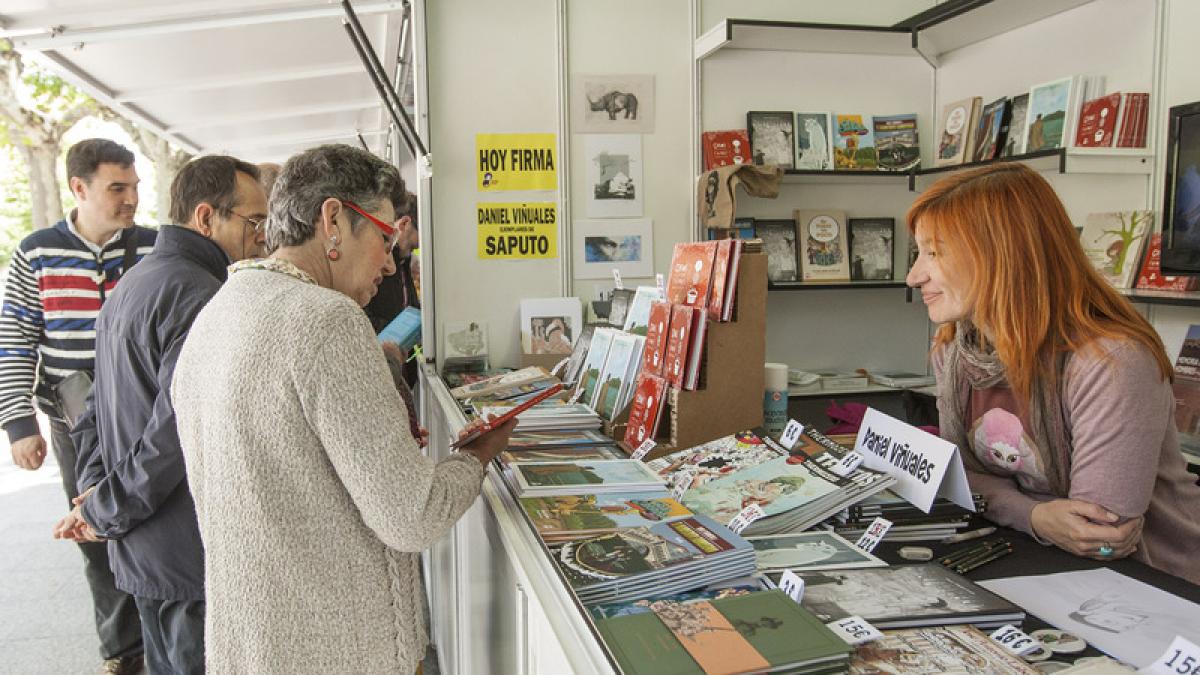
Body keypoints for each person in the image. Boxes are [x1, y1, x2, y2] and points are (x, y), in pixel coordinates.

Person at [169, 144, 515, 673]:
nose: (392, 258)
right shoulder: (328, 321)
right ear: (333, 220)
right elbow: (411, 516)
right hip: (338, 647)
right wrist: (477, 455)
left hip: (251, 642)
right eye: (384, 235)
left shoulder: (222, 309)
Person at [905, 163, 1200, 584]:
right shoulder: (955, 349)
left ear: (1002, 253)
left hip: (1155, 585)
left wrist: (1000, 502)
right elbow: (956, 477)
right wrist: (1036, 516)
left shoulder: (1112, 362)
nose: (915, 275)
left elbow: (1098, 534)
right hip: (1037, 560)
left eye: (934, 252)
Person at [54, 156, 269, 675]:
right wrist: (102, 507)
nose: (263, 236)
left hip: (144, 548)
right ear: (205, 217)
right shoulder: (200, 295)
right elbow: (174, 434)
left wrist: (96, 495)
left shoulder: (133, 282)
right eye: (253, 221)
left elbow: (91, 413)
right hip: (186, 550)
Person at [0, 138, 151, 673]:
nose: (131, 198)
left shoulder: (154, 247)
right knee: (92, 529)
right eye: (117, 188)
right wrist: (18, 423)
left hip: (145, 414)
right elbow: (15, 339)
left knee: (152, 523)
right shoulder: (36, 252)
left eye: (134, 186)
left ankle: (160, 639)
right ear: (79, 188)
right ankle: (123, 650)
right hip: (73, 421)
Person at [364, 189, 421, 387]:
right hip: (381, 365)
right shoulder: (380, 266)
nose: (390, 267)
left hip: (399, 367)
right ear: (404, 224)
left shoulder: (405, 261)